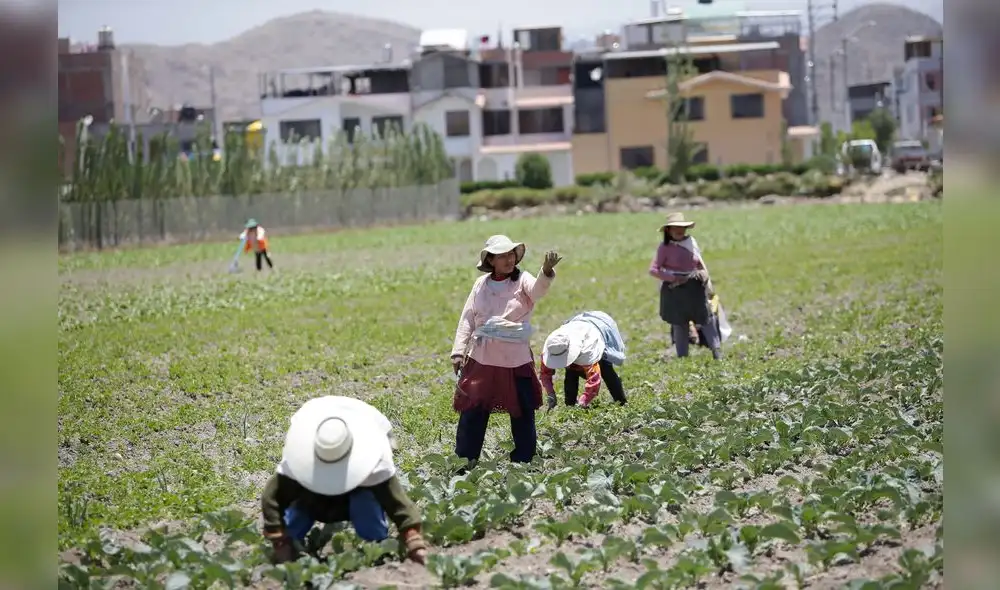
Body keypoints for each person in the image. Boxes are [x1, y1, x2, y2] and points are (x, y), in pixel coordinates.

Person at [260, 396, 428, 565]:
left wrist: (414, 540)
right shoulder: (297, 463)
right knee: (297, 515)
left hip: (355, 497)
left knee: (365, 504)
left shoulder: (374, 463)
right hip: (312, 500)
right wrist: (279, 539)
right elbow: (272, 497)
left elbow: (397, 503)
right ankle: (293, 543)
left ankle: (378, 548)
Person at [450, 234, 562, 471]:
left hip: (515, 358)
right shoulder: (480, 285)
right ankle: (465, 459)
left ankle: (524, 459)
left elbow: (538, 290)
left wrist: (546, 271)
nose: (508, 260)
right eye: (501, 256)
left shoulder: (522, 280)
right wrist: (458, 351)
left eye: (510, 254)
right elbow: (468, 317)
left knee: (522, 409)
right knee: (473, 410)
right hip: (483, 357)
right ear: (490, 260)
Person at [649, 212, 728, 360]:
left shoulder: (691, 242)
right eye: (675, 228)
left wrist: (703, 273)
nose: (679, 231)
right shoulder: (664, 248)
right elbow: (654, 270)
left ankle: (717, 353)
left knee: (706, 318)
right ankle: (683, 358)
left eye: (682, 228)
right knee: (680, 323)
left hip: (695, 287)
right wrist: (674, 278)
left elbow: (698, 261)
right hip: (675, 290)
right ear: (668, 230)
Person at [539, 311, 627, 409]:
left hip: (598, 328)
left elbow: (594, 380)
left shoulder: (589, 350)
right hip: (576, 326)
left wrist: (584, 401)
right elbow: (545, 374)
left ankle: (621, 402)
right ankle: (570, 406)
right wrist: (551, 394)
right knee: (571, 371)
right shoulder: (553, 347)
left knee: (606, 370)